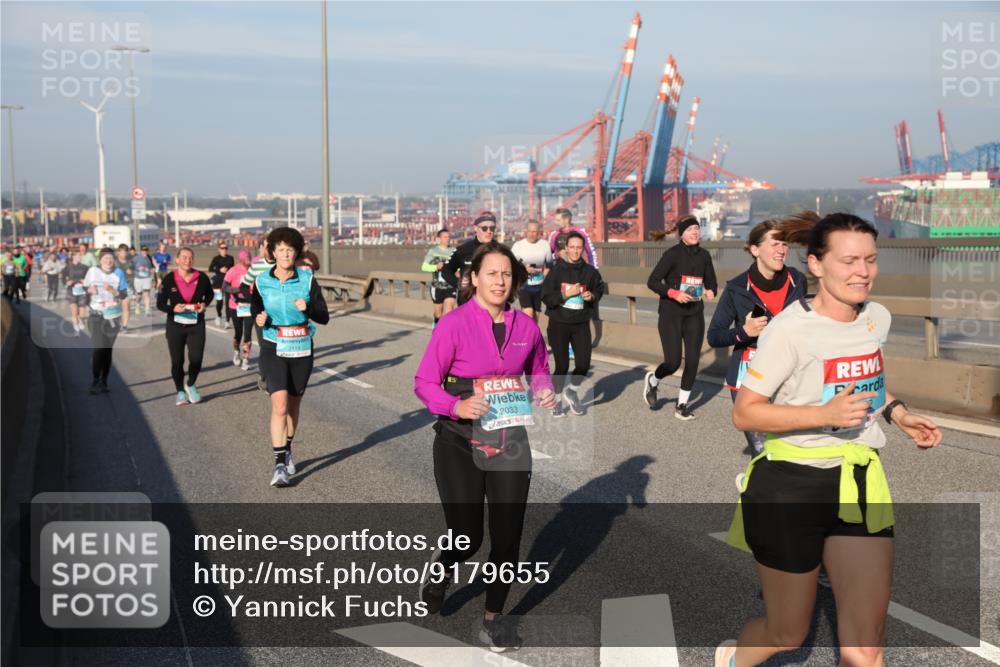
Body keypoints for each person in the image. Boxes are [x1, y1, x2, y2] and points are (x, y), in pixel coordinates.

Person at [715, 212, 943, 667]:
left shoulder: (876, 317)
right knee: (787, 631)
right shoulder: (788, 330)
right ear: (816, 265)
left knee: (865, 647)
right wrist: (824, 415)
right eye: (849, 261)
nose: (862, 272)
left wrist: (897, 413)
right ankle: (732, 658)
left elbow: (868, 381)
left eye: (871, 260)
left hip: (858, 483)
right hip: (789, 484)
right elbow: (745, 413)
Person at [414, 241, 556, 652]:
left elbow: (539, 369)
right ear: (474, 278)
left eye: (507, 274)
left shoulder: (526, 326)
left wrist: (544, 390)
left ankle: (493, 620)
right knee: (467, 537)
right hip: (459, 440)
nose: (500, 281)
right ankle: (441, 573)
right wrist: (455, 404)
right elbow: (424, 382)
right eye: (492, 273)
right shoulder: (454, 324)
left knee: (508, 538)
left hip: (509, 440)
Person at [708, 219, 806, 455]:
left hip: (790, 374)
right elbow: (715, 336)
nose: (782, 250)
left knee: (792, 449)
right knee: (765, 454)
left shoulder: (797, 281)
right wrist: (745, 332)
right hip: (750, 377)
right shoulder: (738, 288)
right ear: (755, 249)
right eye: (774, 244)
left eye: (784, 244)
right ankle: (757, 487)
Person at [251, 227, 329, 487]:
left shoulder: (306, 279)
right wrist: (259, 318)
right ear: (272, 252)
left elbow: (323, 316)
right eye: (280, 249)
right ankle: (279, 466)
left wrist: (309, 307)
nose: (285, 254)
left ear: (296, 252)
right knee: (280, 406)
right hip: (273, 346)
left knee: (293, 407)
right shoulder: (262, 281)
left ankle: (287, 448)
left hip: (301, 347)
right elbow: (256, 308)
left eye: (290, 249)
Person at [642, 215, 717, 420]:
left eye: (696, 229)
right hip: (670, 314)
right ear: (681, 234)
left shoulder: (704, 256)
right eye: (690, 229)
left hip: (694, 314)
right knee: (673, 362)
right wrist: (674, 293)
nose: (694, 232)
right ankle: (654, 381)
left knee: (692, 362)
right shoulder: (672, 255)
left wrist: (711, 290)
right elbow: (653, 281)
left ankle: (681, 405)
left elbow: (711, 282)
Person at [541, 231, 604, 417]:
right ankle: (557, 400)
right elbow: (546, 297)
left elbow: (599, 289)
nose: (576, 252)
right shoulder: (556, 271)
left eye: (579, 248)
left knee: (583, 364)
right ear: (566, 249)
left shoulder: (590, 272)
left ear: (582, 249)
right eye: (572, 248)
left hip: (581, 323)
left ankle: (572, 391)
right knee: (562, 366)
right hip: (559, 323)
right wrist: (565, 295)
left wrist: (591, 296)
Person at [157, 247, 213, 406]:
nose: (187, 260)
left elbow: (209, 295)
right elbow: (160, 303)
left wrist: (204, 304)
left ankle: (191, 384)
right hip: (175, 326)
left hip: (196, 325)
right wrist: (172, 309)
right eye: (184, 257)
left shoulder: (201, 277)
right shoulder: (169, 279)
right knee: (177, 361)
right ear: (177, 260)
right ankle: (180, 391)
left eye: (190, 257)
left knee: (196, 359)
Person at [83, 248, 126, 393]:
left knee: (107, 350)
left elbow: (124, 294)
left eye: (110, 258)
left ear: (114, 260)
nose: (108, 261)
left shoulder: (119, 273)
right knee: (98, 349)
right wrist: (89, 291)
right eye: (105, 258)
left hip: (113, 317)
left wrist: (113, 291)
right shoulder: (92, 271)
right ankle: (95, 380)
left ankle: (104, 381)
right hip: (96, 315)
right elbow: (83, 289)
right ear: (100, 260)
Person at [441, 211, 496, 306]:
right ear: (475, 228)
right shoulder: (463, 249)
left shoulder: (500, 250)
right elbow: (446, 270)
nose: (489, 231)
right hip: (467, 301)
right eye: (484, 228)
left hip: (492, 302)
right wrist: (459, 283)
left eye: (492, 228)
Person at [511, 220, 553, 321]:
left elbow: (550, 265)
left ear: (539, 232)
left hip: (539, 285)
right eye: (529, 231)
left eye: (534, 231)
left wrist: (547, 272)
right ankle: (526, 336)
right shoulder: (518, 246)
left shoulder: (545, 245)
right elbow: (510, 265)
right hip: (523, 285)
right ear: (526, 231)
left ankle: (530, 335)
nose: (532, 234)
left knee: (536, 316)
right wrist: (524, 269)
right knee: (528, 312)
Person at [224, 248, 254, 370]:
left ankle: (246, 359)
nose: (249, 260)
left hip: (249, 306)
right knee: (238, 332)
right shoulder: (233, 271)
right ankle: (237, 352)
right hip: (235, 305)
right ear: (241, 259)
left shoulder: (253, 271)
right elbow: (224, 286)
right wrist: (238, 290)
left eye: (250, 258)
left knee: (248, 333)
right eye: (246, 258)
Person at [420, 228, 456, 325]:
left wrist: (458, 272)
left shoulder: (454, 251)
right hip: (437, 286)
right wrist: (436, 267)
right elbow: (424, 267)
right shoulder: (433, 251)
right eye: (445, 237)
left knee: (449, 311)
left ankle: (446, 334)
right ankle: (436, 325)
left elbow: (458, 266)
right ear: (439, 238)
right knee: (438, 314)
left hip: (451, 285)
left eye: (449, 237)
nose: (447, 239)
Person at [208, 241, 235, 328]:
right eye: (222, 248)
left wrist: (229, 270)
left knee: (228, 303)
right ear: (219, 249)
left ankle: (227, 321)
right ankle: (219, 316)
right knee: (219, 302)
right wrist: (219, 270)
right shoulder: (216, 259)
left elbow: (233, 268)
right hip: (218, 283)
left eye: (225, 248)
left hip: (228, 283)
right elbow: (210, 268)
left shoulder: (230, 258)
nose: (224, 250)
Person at [63, 252, 90, 335]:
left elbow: (89, 278)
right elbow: (63, 277)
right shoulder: (68, 267)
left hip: (82, 290)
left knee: (82, 311)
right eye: (78, 255)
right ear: (73, 257)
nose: (80, 257)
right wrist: (67, 282)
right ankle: (76, 328)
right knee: (74, 310)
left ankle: (80, 320)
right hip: (71, 290)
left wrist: (85, 281)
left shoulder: (85, 267)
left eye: (80, 256)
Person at [114, 244, 134, 332]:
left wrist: (131, 272)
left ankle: (125, 326)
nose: (123, 254)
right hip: (115, 287)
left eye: (125, 252)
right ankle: (116, 324)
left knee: (126, 307)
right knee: (115, 307)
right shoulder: (113, 262)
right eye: (121, 252)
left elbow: (135, 272)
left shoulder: (130, 262)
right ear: (118, 252)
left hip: (126, 286)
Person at [132, 245, 156, 317]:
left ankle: (147, 309)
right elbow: (130, 268)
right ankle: (137, 305)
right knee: (139, 294)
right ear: (141, 251)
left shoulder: (149, 258)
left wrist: (152, 270)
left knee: (147, 294)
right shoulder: (136, 258)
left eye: (146, 251)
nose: (145, 252)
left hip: (147, 278)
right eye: (143, 251)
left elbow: (152, 267)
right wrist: (138, 269)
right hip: (138, 278)